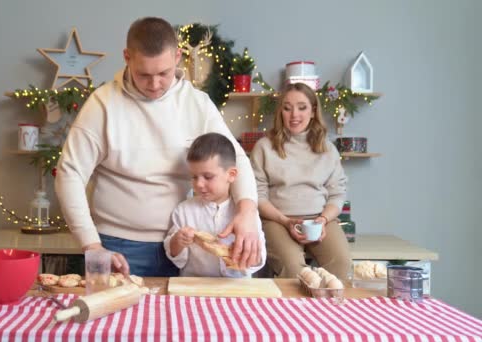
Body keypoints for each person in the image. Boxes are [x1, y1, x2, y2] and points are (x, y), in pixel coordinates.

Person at [55, 17, 261, 277]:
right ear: (127, 57)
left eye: (163, 73)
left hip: (187, 244)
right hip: (117, 246)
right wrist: (92, 245)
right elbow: (70, 173)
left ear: (177, 56)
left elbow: (236, 160)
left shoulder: (197, 104)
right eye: (144, 74)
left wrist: (247, 212)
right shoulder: (102, 104)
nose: (154, 85)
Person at [250, 82, 352, 279]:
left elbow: (337, 194)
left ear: (313, 111)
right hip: (278, 221)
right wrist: (285, 221)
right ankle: (296, 310)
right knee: (294, 270)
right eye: (287, 108)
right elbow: (257, 196)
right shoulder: (264, 147)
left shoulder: (328, 149)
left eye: (302, 107)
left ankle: (325, 309)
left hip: (319, 219)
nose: (294, 115)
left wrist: (323, 220)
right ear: (281, 112)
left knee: (342, 262)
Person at [164, 133, 266, 277]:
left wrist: (244, 253)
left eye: (208, 177)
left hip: (236, 288)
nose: (199, 184)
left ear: (231, 174)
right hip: (194, 288)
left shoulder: (247, 215)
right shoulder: (183, 211)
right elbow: (176, 258)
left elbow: (258, 260)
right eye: (194, 177)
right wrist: (178, 241)